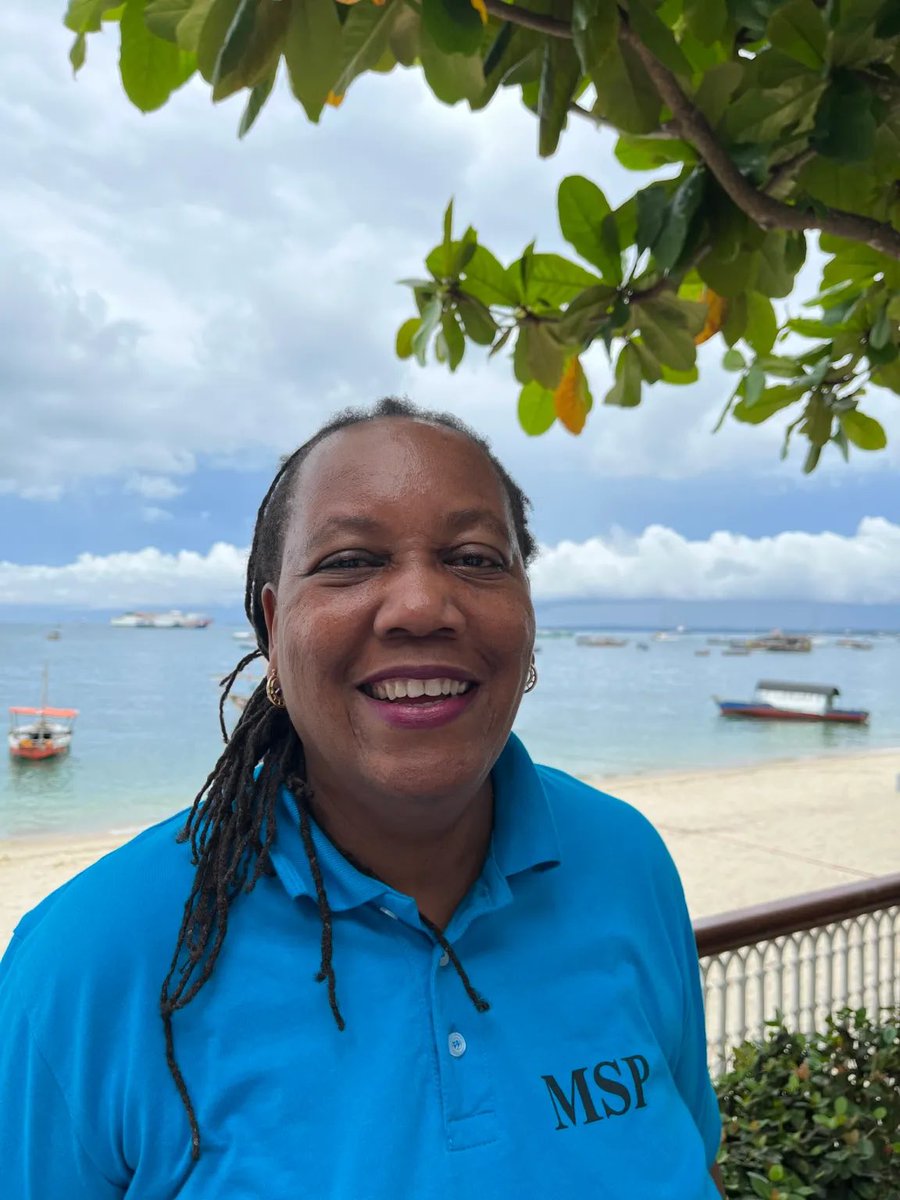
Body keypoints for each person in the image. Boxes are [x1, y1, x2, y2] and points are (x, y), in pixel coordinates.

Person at [0, 398, 725, 1198]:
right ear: (273, 629)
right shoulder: (89, 959)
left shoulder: (624, 860)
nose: (420, 607)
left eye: (476, 558)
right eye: (349, 560)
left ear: (526, 614)